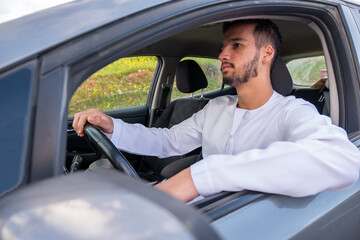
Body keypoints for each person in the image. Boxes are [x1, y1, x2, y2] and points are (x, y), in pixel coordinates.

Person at [73, 19, 360, 202]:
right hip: (196, 211)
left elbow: (342, 158)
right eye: (224, 47)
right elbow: (168, 142)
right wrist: (114, 127)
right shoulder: (217, 107)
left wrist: (204, 174)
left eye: (237, 45)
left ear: (267, 53)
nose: (222, 54)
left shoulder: (291, 112)